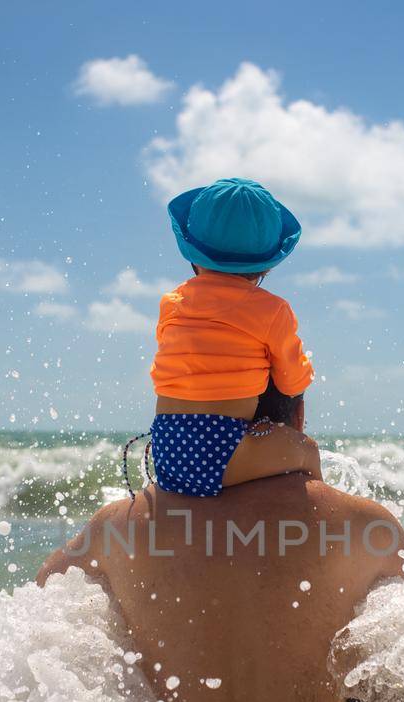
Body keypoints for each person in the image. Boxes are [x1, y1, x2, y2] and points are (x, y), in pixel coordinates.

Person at [38, 387, 404, 702]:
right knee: (380, 645)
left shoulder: (116, 525)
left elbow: (41, 599)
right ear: (299, 418)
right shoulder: (358, 522)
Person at [138, 177, 323, 498]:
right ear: (265, 265)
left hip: (165, 446)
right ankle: (313, 530)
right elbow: (293, 383)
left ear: (193, 254)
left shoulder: (171, 303)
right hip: (222, 447)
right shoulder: (272, 310)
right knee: (307, 451)